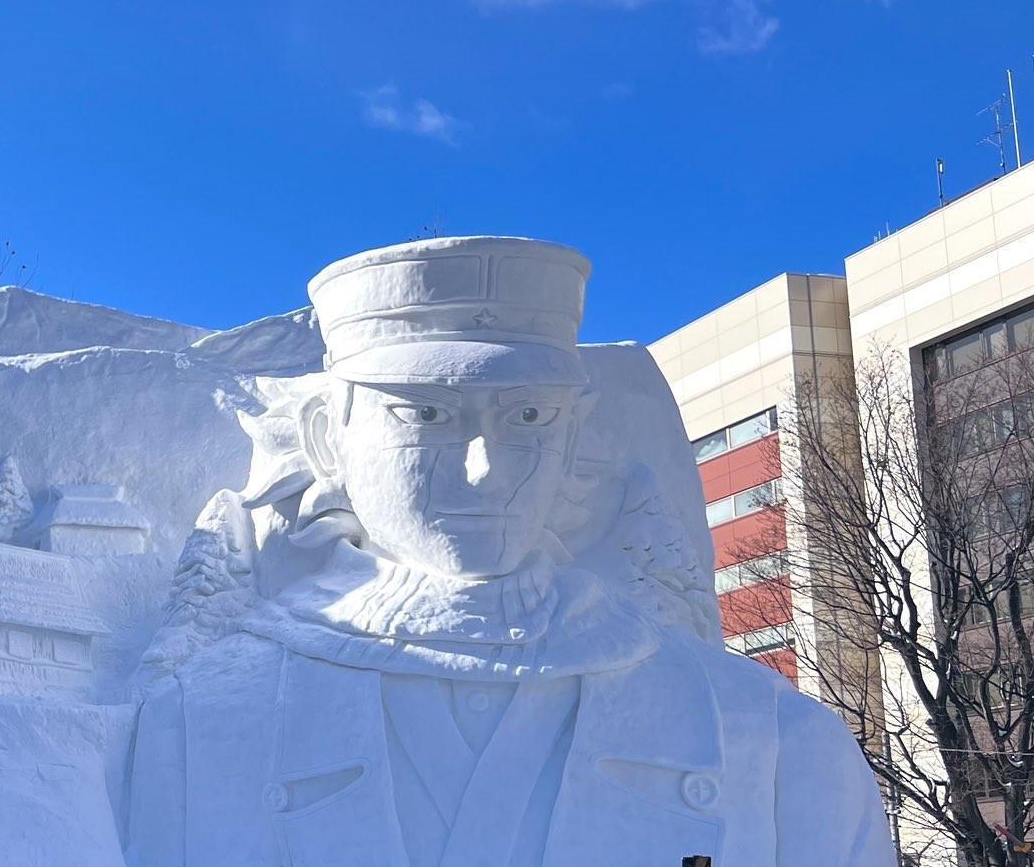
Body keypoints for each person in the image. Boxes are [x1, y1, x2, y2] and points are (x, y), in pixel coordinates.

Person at [123, 237, 894, 866]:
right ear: (330, 434)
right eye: (426, 414)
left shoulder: (776, 743)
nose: (485, 469)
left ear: (575, 430)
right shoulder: (195, 727)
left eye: (528, 414)